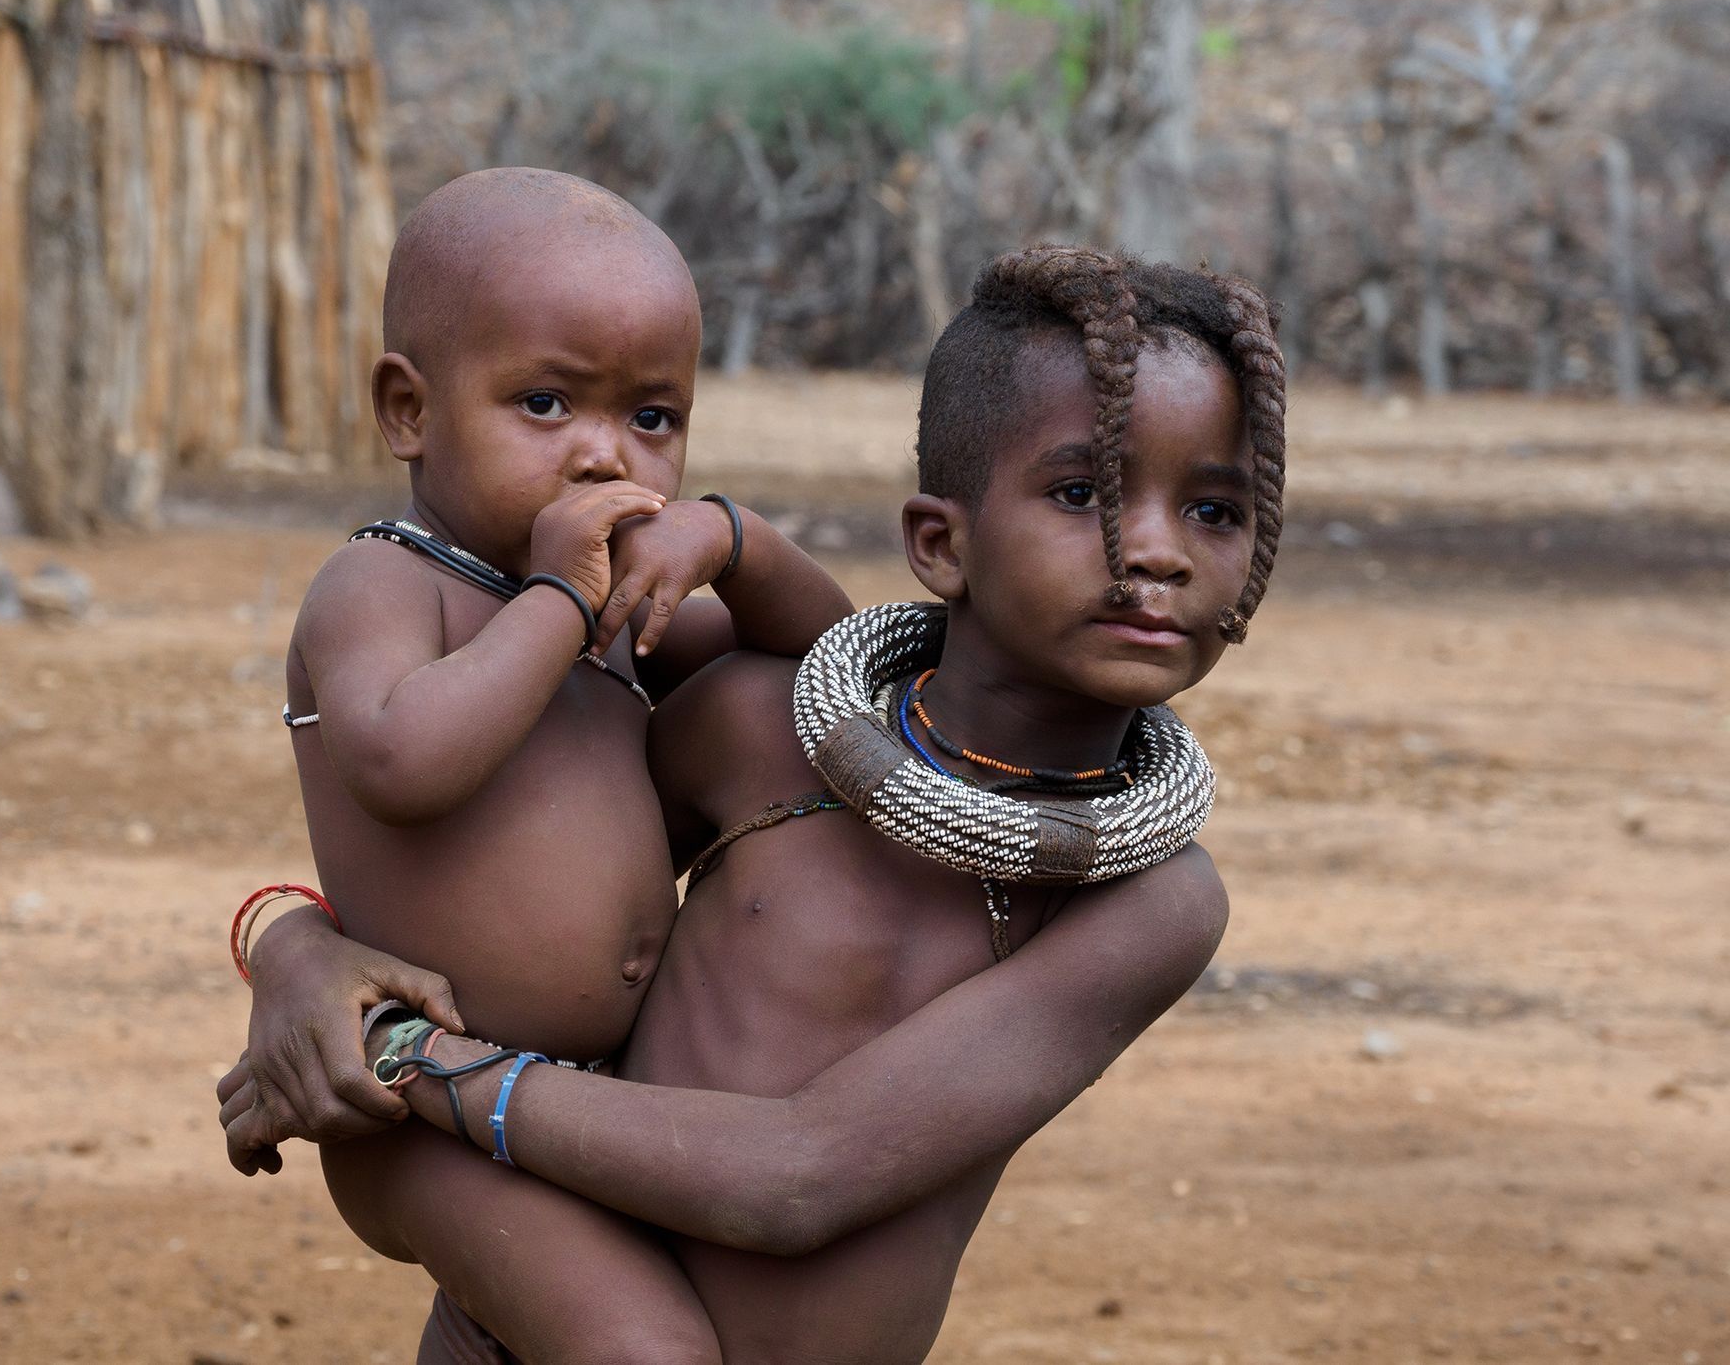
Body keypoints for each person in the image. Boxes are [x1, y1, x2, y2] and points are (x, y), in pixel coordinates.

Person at [221, 246, 1288, 1364]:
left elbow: (796, 1179)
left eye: (1215, 511)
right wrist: (293, 945)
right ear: (939, 543)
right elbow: (501, 878)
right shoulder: (755, 725)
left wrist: (404, 1055)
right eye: (1080, 495)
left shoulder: (1147, 900)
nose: (1156, 552)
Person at [243, 164, 855, 1362]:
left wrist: (734, 539)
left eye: (652, 419)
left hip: (596, 1093)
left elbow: (823, 676)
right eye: (543, 403)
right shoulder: (383, 583)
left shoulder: (619, 609)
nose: (602, 457)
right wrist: (558, 603)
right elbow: (401, 760)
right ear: (409, 411)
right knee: (641, 1350)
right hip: (419, 1108)